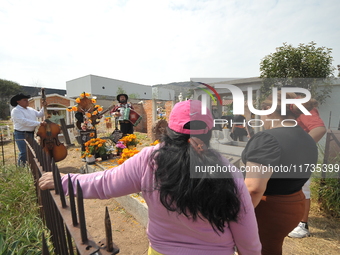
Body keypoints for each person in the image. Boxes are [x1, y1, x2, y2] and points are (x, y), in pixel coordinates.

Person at [40, 100, 261, 255]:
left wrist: (64, 181)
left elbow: (104, 184)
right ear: (210, 131)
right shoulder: (227, 170)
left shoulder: (149, 160)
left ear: (170, 129)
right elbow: (246, 232)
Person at [242, 91, 318, 255]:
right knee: (271, 247)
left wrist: (236, 215)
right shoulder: (305, 137)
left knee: (257, 250)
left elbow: (253, 188)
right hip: (294, 204)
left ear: (267, 109)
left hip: (268, 209)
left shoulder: (267, 138)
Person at [288, 107, 326, 238]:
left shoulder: (301, 106)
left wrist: (300, 147)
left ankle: (303, 225)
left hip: (300, 154)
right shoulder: (286, 108)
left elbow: (319, 128)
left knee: (303, 187)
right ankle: (293, 219)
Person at [10, 93, 46, 166]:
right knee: (24, 152)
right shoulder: (16, 110)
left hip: (30, 133)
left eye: (27, 100)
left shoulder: (30, 109)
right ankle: (21, 167)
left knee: (32, 150)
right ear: (18, 101)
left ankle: (29, 165)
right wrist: (39, 123)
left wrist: (44, 107)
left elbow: (40, 114)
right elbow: (24, 121)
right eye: (24, 100)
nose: (27, 101)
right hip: (20, 133)